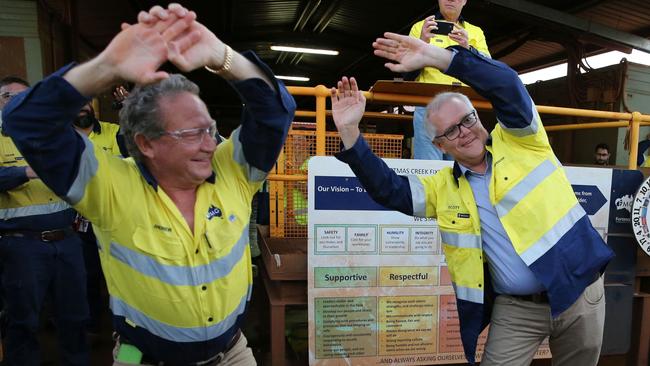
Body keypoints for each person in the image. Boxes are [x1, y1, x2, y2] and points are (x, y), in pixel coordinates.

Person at [2, 3, 296, 365]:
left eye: (210, 129)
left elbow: (276, 111)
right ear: (146, 143)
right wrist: (105, 67)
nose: (210, 143)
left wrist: (222, 57)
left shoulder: (235, 170)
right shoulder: (108, 188)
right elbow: (27, 123)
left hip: (232, 355)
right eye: (192, 133)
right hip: (144, 359)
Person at [330, 33, 612, 365]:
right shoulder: (441, 189)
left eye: (467, 120)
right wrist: (350, 132)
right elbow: (388, 188)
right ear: (439, 146)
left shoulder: (523, 141)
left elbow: (506, 84)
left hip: (580, 293)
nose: (463, 132)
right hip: (516, 308)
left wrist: (437, 57)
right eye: (450, 131)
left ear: (478, 118)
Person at [1, 76, 89, 365]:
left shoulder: (56, 135)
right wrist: (25, 172)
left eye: (25, 97)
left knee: (75, 316)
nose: (17, 102)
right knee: (23, 320)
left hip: (68, 240)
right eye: (9, 96)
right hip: (22, 246)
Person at [406, 0, 490, 161]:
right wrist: (422, 43)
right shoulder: (420, 28)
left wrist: (468, 49)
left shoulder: (475, 32)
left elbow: (488, 72)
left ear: (465, 1)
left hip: (463, 110)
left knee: (462, 167)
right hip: (428, 106)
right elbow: (407, 74)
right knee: (428, 170)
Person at [72, 101, 122, 335]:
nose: (81, 107)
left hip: (116, 221)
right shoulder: (62, 138)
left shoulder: (114, 132)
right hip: (79, 224)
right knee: (87, 277)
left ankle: (123, 333)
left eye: (85, 101)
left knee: (122, 280)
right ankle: (92, 331)